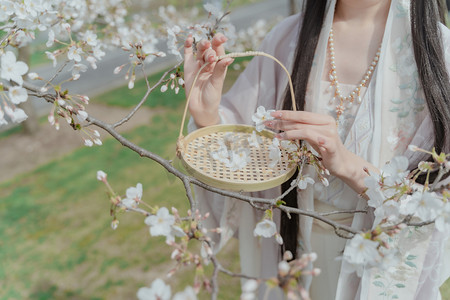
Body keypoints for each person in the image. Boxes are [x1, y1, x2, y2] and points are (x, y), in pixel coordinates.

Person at [184, 0, 450, 299]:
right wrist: (207, 117)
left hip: (378, 266)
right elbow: (246, 149)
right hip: (296, 252)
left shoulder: (437, 50)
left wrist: (351, 168)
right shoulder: (288, 38)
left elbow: (440, 202)